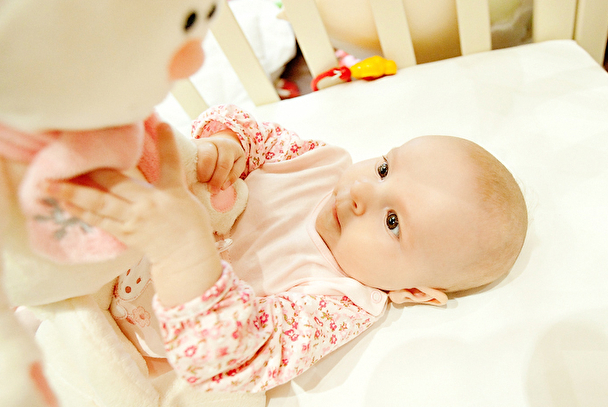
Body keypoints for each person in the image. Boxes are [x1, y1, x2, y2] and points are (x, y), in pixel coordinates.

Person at [48, 105, 528, 392]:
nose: (362, 191)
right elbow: (252, 132)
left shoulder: (338, 302)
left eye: (392, 222)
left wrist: (184, 250)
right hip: (107, 228)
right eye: (385, 168)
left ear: (415, 291)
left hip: (116, 328)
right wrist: (225, 145)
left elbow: (246, 356)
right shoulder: (320, 163)